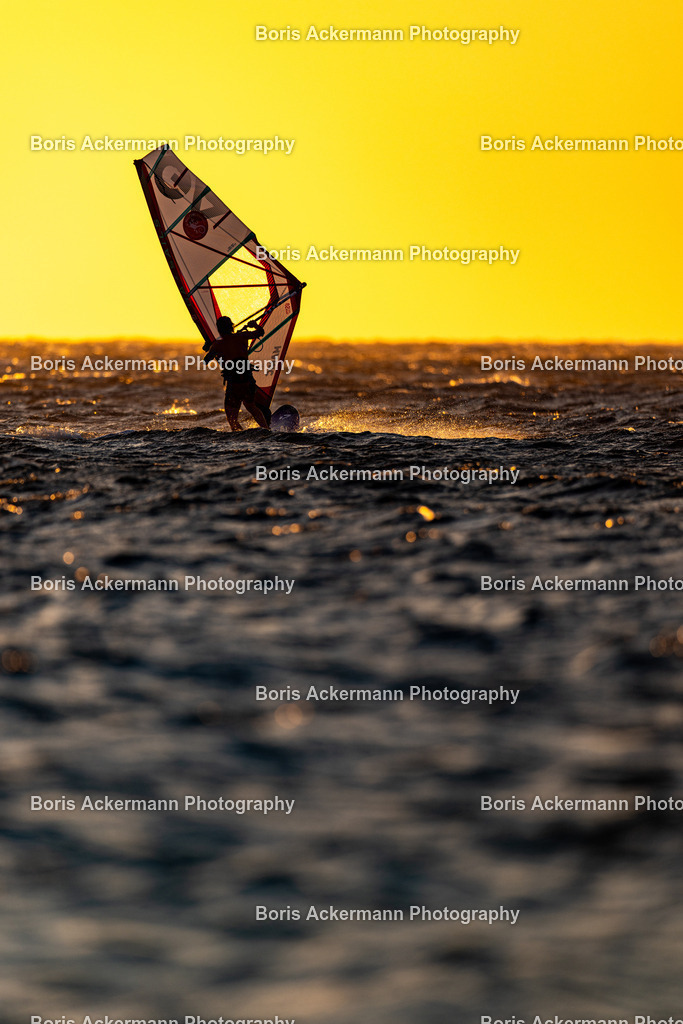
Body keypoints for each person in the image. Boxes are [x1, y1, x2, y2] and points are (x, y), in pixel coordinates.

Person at [203, 316, 271, 431]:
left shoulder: (217, 345)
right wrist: (254, 325)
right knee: (251, 407)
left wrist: (212, 348)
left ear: (218, 329)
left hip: (234, 384)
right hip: (247, 381)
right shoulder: (242, 336)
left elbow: (206, 360)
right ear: (232, 326)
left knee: (232, 419)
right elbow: (260, 332)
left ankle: (239, 437)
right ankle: (266, 430)